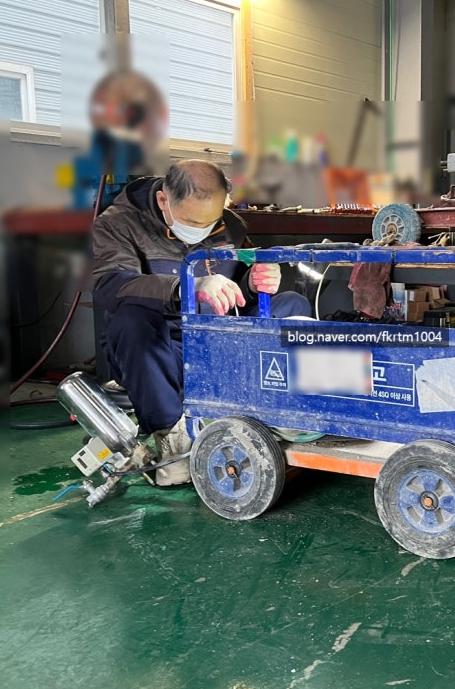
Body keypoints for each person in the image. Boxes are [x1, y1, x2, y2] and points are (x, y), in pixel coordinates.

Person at [92, 159, 311, 485]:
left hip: (217, 335)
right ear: (164, 199)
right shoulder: (116, 224)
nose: (203, 230)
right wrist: (186, 286)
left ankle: (285, 413)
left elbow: (242, 285)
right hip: (165, 344)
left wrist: (253, 282)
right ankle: (173, 441)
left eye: (211, 221)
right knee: (130, 321)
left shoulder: (230, 225)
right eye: (193, 222)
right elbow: (112, 287)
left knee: (292, 304)